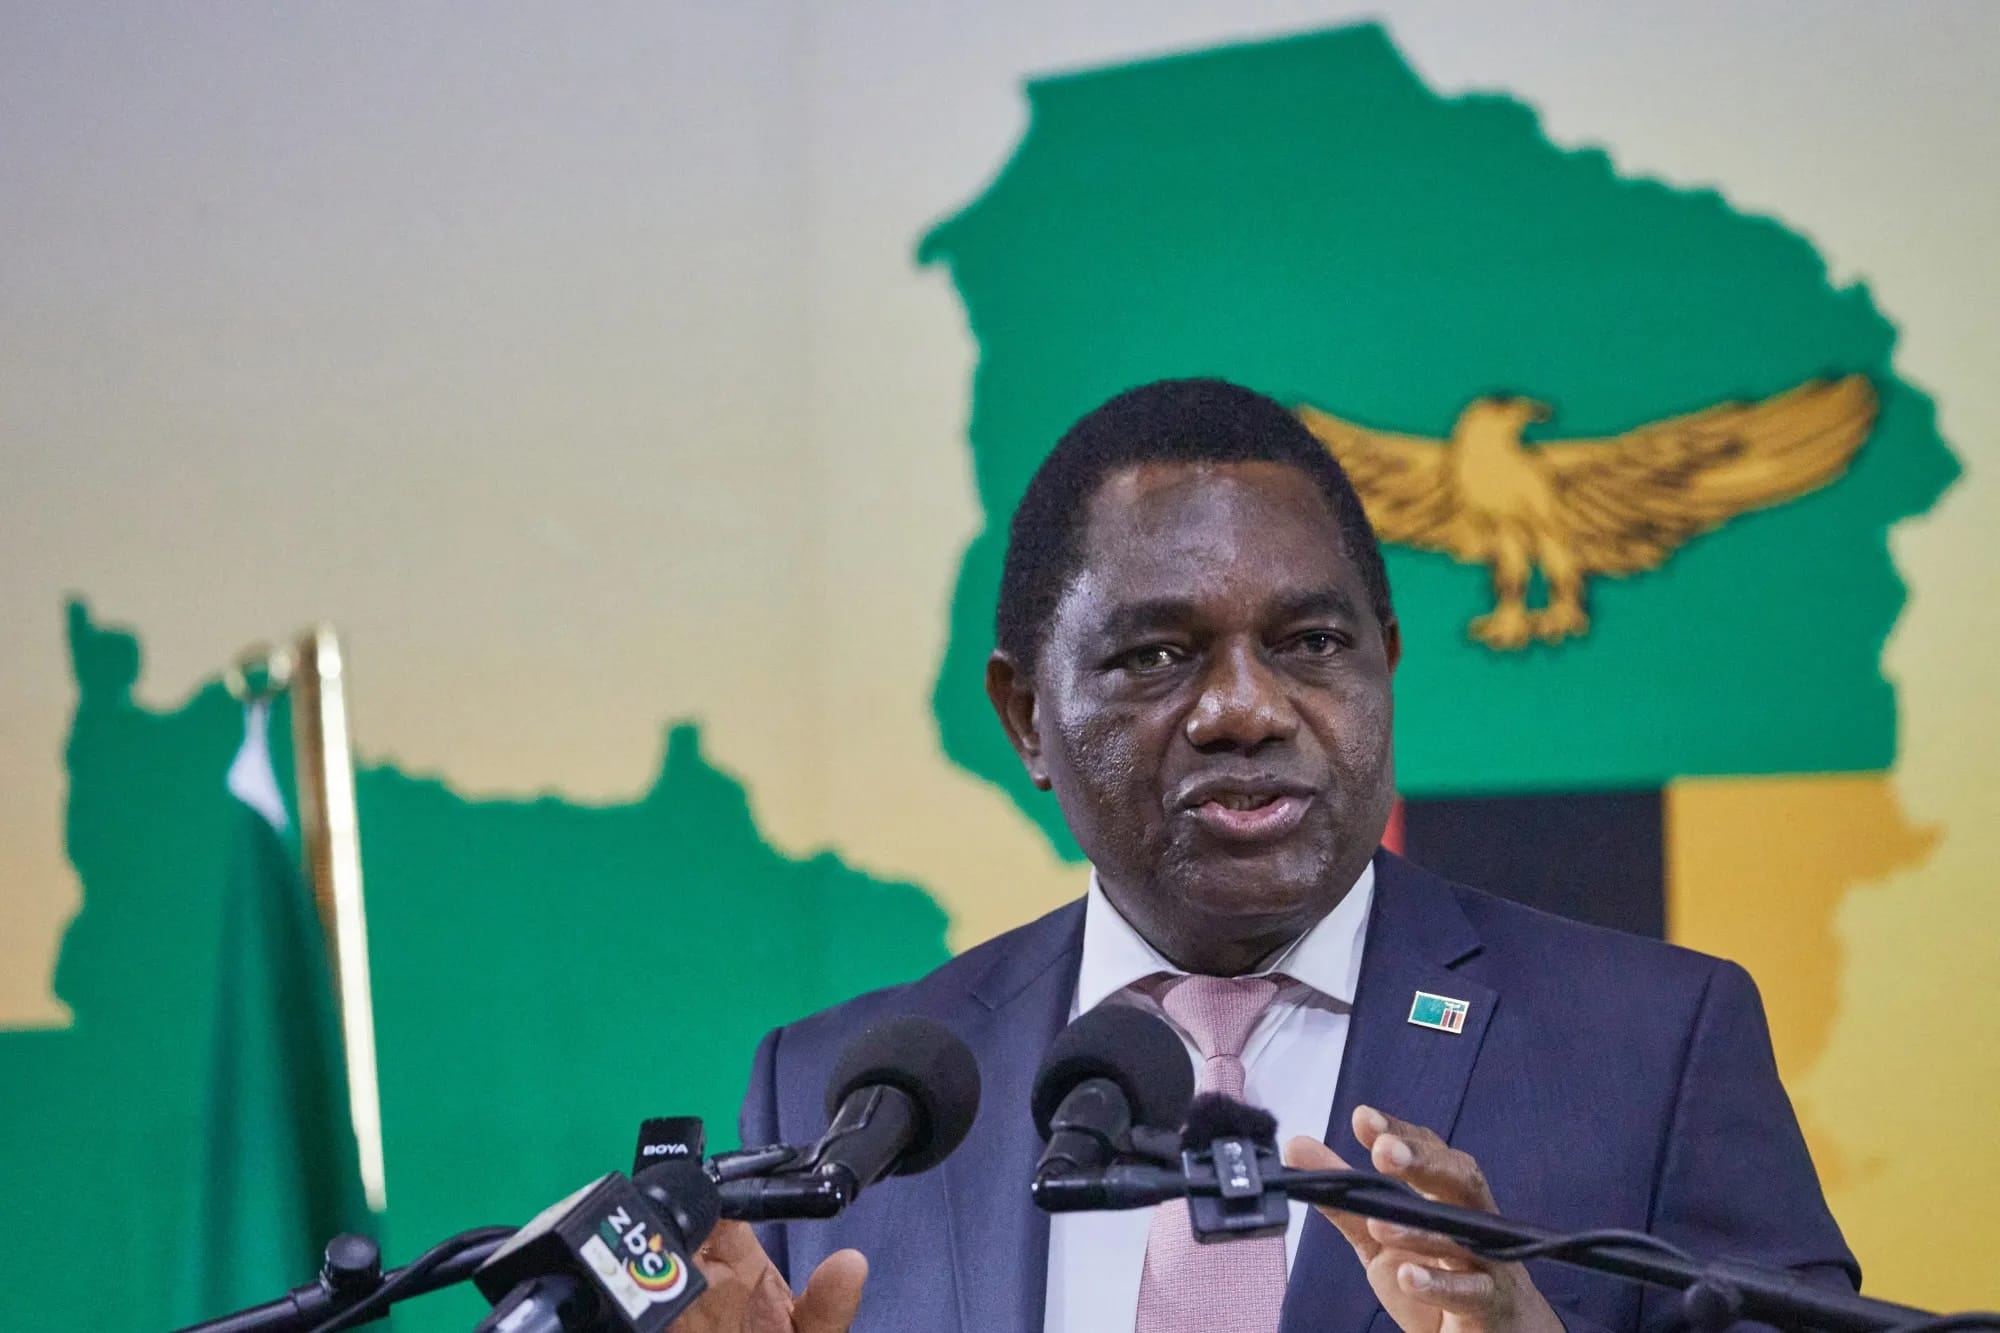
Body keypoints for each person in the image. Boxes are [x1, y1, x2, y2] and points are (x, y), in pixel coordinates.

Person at [678, 379, 1855, 1333]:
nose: (1244, 708)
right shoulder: (845, 1104)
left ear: (1383, 665)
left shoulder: (1652, 1046)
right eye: (1155, 655)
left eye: (1309, 642)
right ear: (1025, 716)